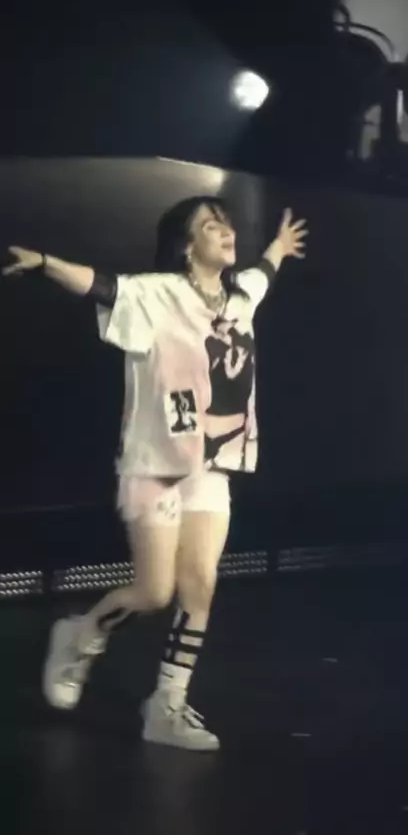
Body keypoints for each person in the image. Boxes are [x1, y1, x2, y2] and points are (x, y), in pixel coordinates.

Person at [4, 196, 307, 751]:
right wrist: (46, 263)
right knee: (154, 589)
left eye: (226, 224)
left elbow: (262, 276)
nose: (226, 232)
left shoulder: (240, 296)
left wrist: (278, 250)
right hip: (155, 463)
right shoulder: (157, 294)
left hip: (211, 465)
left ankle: (166, 705)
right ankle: (81, 634)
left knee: (200, 585)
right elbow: (100, 286)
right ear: (187, 246)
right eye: (210, 226)